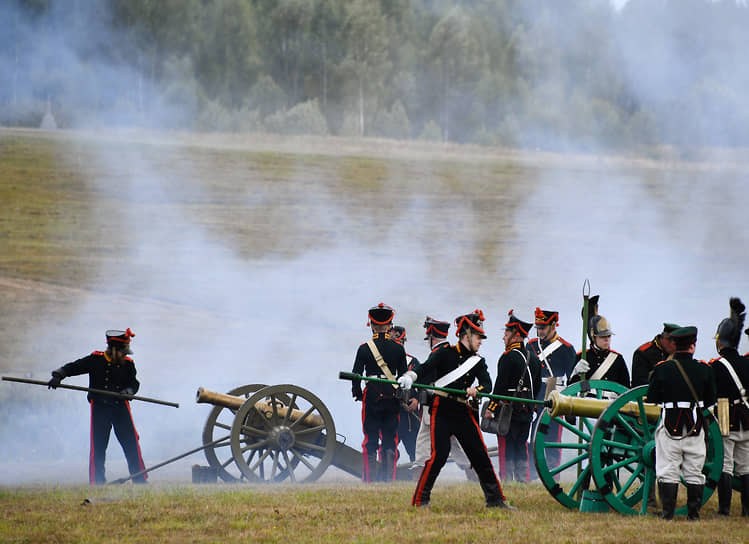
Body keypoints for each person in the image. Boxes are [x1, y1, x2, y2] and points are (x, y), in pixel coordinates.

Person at [398, 310, 511, 508]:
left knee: (481, 456)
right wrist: (410, 377)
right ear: (466, 335)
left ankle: (495, 500)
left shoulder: (478, 361)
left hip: (463, 411)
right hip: (441, 410)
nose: (481, 341)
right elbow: (424, 368)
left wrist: (477, 390)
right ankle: (420, 500)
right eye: (478, 336)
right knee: (438, 456)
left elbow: (487, 384)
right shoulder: (445, 353)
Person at [47, 328, 147, 485]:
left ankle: (140, 479)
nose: (125, 355)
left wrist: (129, 391)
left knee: (132, 443)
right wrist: (58, 375)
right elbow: (74, 367)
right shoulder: (96, 359)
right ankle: (97, 481)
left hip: (121, 408)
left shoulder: (128, 364)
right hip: (100, 409)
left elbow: (134, 383)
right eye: (123, 351)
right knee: (98, 446)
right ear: (113, 349)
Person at [647, 326, 717, 521]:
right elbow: (710, 399)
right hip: (695, 425)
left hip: (669, 423)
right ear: (692, 346)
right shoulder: (704, 369)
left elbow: (652, 398)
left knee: (667, 468)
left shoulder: (662, 368)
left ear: (674, 346)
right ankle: (693, 515)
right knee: (695, 470)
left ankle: (668, 514)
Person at [411, 317, 475, 481]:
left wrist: (413, 380)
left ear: (432, 337)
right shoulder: (449, 353)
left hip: (438, 409)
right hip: (439, 408)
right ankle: (418, 481)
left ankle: (474, 474)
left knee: (438, 447)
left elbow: (427, 375)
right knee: (427, 446)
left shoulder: (440, 354)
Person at [351, 303, 408, 482]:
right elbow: (404, 376)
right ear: (390, 325)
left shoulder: (364, 348)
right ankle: (387, 480)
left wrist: (358, 393)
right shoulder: (398, 348)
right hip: (392, 397)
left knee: (370, 439)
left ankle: (369, 480)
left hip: (372, 396)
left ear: (372, 324)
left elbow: (356, 375)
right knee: (390, 440)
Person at [486, 310, 541, 483]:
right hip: (526, 411)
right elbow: (537, 386)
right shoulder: (534, 358)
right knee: (521, 445)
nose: (504, 337)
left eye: (506, 333)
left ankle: (507, 481)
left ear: (516, 335)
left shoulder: (508, 357)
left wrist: (491, 408)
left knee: (506, 447)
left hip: (508, 411)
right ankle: (522, 480)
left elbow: (500, 386)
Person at [709, 297, 749, 516]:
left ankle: (724, 510)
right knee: (746, 466)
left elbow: (710, 394)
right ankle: (746, 510)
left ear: (720, 342)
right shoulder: (746, 362)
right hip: (747, 418)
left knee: (725, 464)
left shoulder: (716, 366)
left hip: (726, 418)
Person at [527, 308, 576, 480]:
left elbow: (572, 379)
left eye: (543, 327)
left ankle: (553, 473)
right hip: (536, 393)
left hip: (556, 392)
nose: (540, 331)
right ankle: (532, 472)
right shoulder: (531, 345)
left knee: (553, 435)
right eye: (538, 328)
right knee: (534, 433)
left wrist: (571, 407)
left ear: (554, 325)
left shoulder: (566, 348)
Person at [570, 297, 630, 389]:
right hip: (588, 401)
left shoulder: (617, 359)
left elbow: (625, 388)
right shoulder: (583, 356)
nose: (607, 339)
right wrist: (575, 373)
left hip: (612, 402)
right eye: (602, 336)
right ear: (594, 337)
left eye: (608, 336)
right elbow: (571, 387)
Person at [389, 325, 421, 464]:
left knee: (415, 449)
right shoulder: (383, 362)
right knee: (388, 449)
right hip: (390, 411)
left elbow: (424, 385)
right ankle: (387, 477)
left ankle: (417, 478)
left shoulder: (413, 362)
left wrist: (417, 400)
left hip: (409, 416)